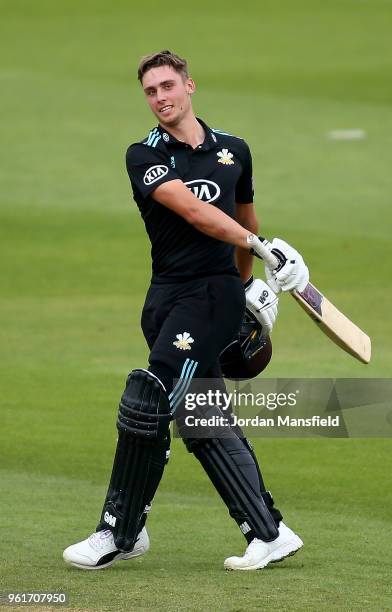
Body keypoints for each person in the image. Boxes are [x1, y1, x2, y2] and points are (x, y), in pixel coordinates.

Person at [63, 50, 309, 571]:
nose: (160, 99)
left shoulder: (234, 151)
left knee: (148, 400)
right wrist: (263, 246)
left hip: (213, 296)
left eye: (168, 86)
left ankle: (119, 530)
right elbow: (195, 211)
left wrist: (249, 288)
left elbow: (246, 222)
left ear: (190, 85)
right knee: (202, 419)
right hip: (165, 298)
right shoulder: (143, 154)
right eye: (150, 91)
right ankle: (270, 532)